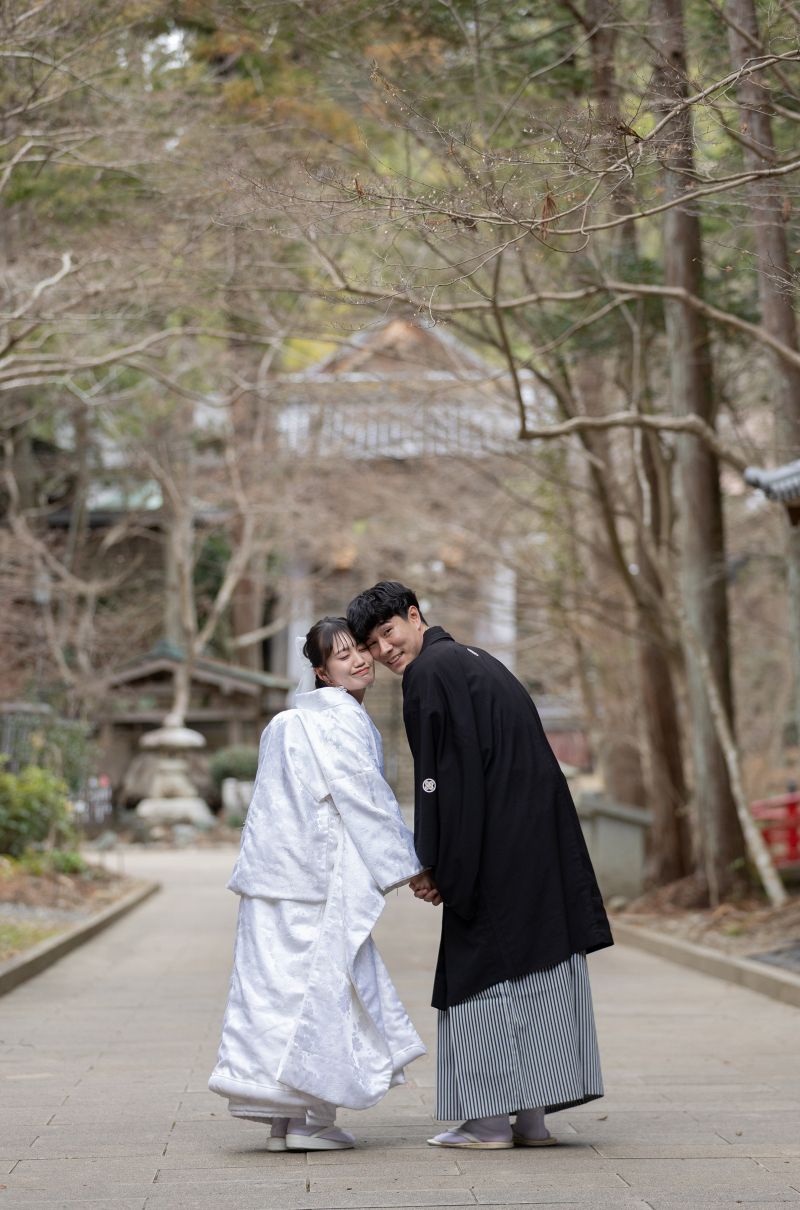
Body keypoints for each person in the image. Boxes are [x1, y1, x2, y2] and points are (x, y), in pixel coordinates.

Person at [347, 582, 613, 1150]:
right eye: (371, 644)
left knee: (481, 971)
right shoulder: (475, 660)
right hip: (538, 844)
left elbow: (444, 781)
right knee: (538, 969)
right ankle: (532, 1120)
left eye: (387, 632)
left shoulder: (430, 675)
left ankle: (489, 1122)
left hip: (495, 848)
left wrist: (440, 864)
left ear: (414, 617)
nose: (383, 650)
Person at [208, 617, 426, 1152]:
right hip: (317, 882)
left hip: (269, 880)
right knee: (324, 991)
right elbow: (365, 801)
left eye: (361, 650)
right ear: (321, 672)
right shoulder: (339, 722)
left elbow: (265, 810)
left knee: (273, 993)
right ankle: (311, 1121)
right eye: (343, 655)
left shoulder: (284, 723)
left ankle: (284, 1119)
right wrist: (413, 868)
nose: (360, 660)